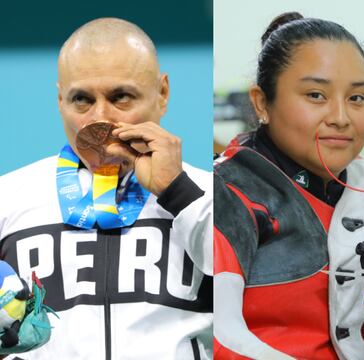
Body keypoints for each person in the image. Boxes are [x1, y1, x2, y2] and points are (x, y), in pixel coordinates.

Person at [0, 18, 212, 359]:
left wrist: (178, 193)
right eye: (82, 100)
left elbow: (250, 292)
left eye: (121, 97)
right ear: (59, 100)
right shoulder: (7, 198)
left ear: (162, 93)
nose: (101, 119)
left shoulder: (211, 195)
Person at [213, 12, 364, 360]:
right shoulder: (226, 191)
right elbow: (218, 336)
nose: (340, 117)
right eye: (316, 95)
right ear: (261, 103)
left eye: (357, 98)